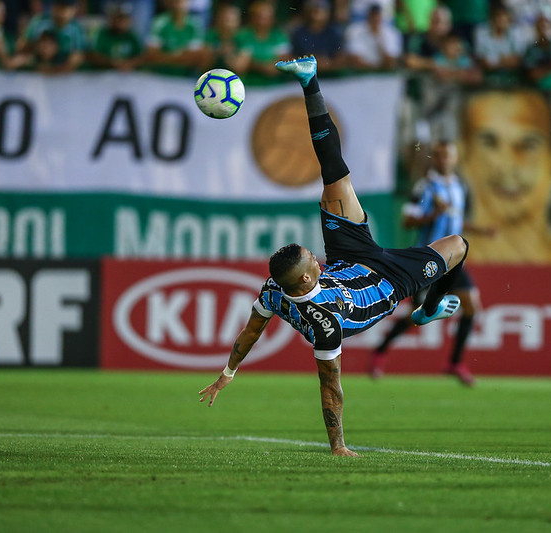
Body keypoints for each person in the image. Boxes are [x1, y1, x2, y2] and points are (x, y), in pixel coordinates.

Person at [199, 56, 469, 456]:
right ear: (308, 278)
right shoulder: (325, 325)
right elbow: (331, 387)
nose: (313, 254)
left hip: (351, 258)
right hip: (389, 282)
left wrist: (227, 372)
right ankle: (425, 310)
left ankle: (310, 80)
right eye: (311, 258)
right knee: (459, 245)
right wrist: (338, 447)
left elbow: (251, 332)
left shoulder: (275, 288)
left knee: (333, 174)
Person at [371, 140, 493, 386]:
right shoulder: (424, 187)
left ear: (455, 158)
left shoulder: (460, 187)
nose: (443, 159)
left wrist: (480, 230)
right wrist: (434, 214)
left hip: (455, 260)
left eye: (447, 155)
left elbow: (456, 221)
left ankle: (455, 363)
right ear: (434, 159)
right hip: (429, 260)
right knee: (419, 315)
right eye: (438, 155)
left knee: (471, 305)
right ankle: (380, 351)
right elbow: (408, 221)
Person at [459, 89, 551, 264]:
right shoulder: (444, 268)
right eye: (489, 143)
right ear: (463, 156)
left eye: (528, 145)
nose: (508, 165)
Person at [86, 1, 145, 72]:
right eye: (117, 18)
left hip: (127, 75)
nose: (120, 22)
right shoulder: (101, 33)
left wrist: (130, 63)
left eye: (123, 18)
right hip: (102, 74)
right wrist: (113, 63)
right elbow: (92, 56)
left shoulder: (132, 35)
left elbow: (141, 56)